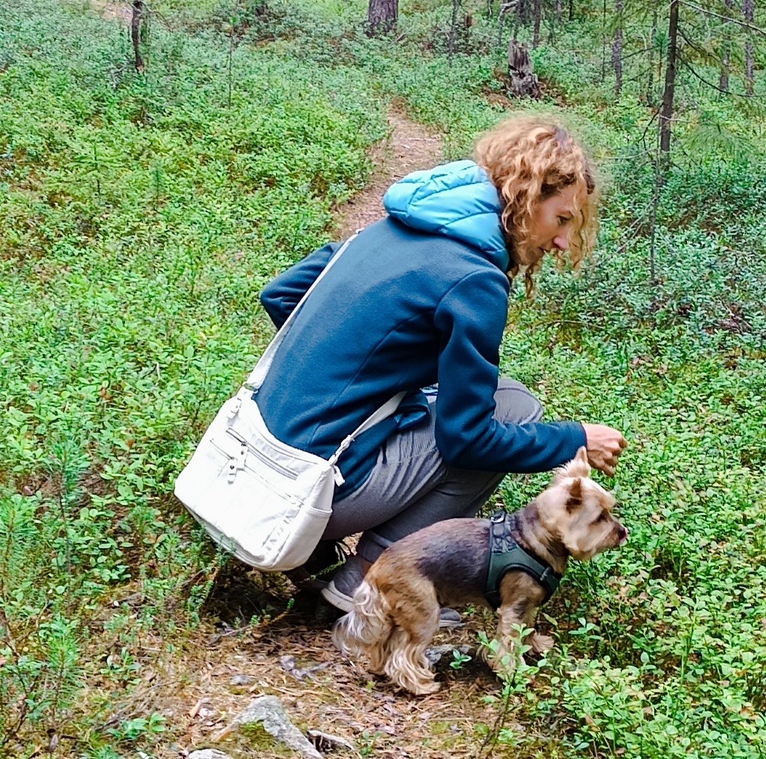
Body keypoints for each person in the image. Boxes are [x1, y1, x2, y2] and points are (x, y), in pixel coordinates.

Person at [256, 115, 627, 614]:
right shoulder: (474, 277)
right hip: (305, 490)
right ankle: (365, 580)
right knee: (509, 422)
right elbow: (467, 440)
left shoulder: (398, 223)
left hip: (252, 458)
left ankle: (320, 549)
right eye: (561, 219)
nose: (562, 241)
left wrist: (367, 371)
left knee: (508, 395)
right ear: (524, 199)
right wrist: (576, 437)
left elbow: (281, 295)